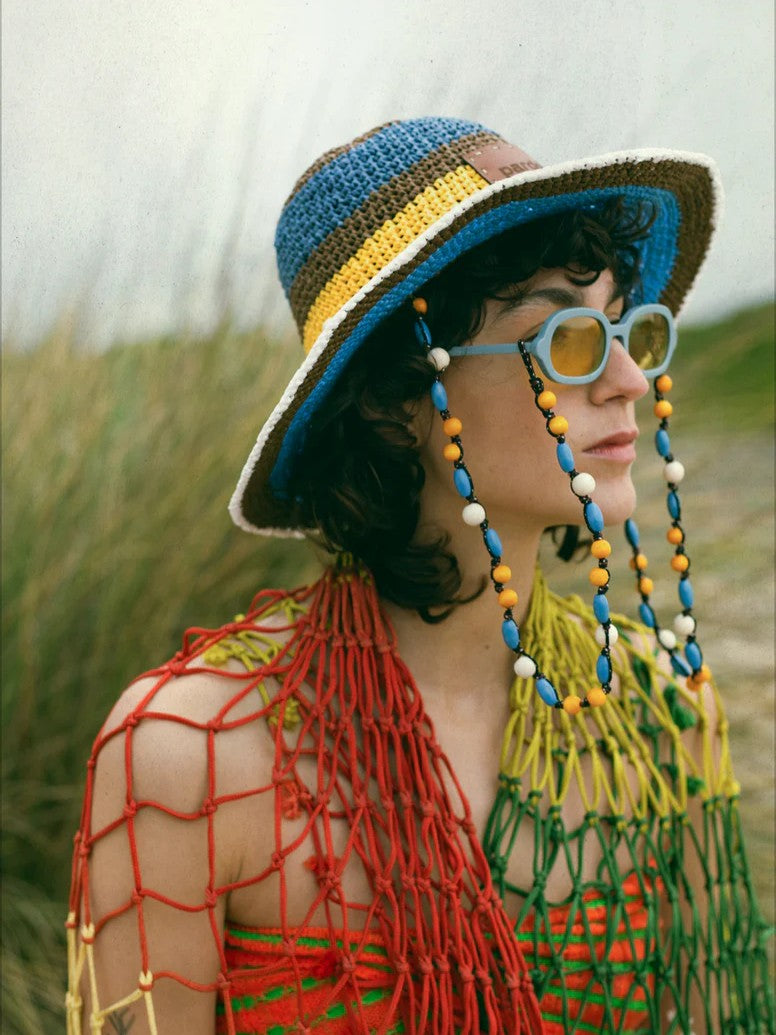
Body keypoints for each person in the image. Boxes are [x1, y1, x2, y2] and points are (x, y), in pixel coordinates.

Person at [66, 118, 773, 1035]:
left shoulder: (658, 716)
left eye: (626, 327)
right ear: (396, 402)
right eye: (566, 336)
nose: (630, 378)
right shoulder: (184, 757)